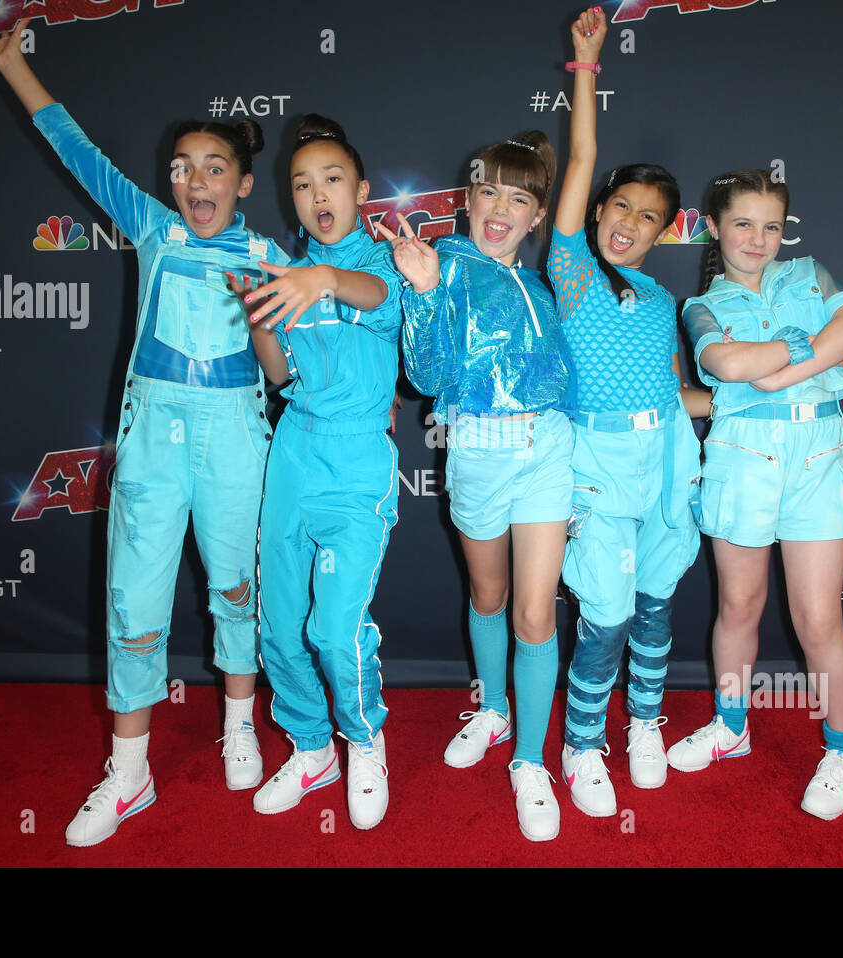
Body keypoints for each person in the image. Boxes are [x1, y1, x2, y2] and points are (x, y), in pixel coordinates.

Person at [0, 21, 285, 846]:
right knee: (134, 601)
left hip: (237, 435)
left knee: (237, 588)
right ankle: (130, 770)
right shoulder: (152, 226)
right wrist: (14, 66)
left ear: (244, 183)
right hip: (154, 435)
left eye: (214, 167)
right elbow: (78, 152)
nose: (195, 180)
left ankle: (242, 724)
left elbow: (297, 363)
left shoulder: (273, 254)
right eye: (182, 168)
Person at [377, 130, 571, 842]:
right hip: (478, 454)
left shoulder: (544, 284)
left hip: (547, 449)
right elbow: (425, 378)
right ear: (468, 200)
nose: (500, 209)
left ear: (537, 215)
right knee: (488, 596)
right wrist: (423, 291)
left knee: (535, 614)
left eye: (519, 198)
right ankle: (493, 711)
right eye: (489, 192)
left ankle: (529, 761)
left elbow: (566, 380)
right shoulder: (445, 264)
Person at [671, 169, 843, 821]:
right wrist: (808, 353)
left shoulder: (810, 273)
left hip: (815, 460)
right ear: (715, 226)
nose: (757, 239)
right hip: (739, 462)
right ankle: (733, 727)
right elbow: (726, 367)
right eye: (742, 223)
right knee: (739, 606)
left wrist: (781, 369)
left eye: (770, 226)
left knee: (819, 621)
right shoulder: (700, 304)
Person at [550, 7, 710, 818]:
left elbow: (674, 395)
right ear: (601, 207)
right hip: (597, 468)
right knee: (604, 615)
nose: (629, 223)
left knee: (655, 605)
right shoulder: (572, 273)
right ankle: (583, 745)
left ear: (666, 230)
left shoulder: (663, 299)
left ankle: (644, 722)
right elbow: (580, 157)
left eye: (649, 216)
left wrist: (752, 398)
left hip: (668, 457)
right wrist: (587, 65)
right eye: (620, 206)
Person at [241, 116, 403, 831]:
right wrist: (260, 326)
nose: (317, 194)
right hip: (294, 451)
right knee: (277, 627)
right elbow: (281, 378)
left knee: (334, 628)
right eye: (301, 184)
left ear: (362, 188)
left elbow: (376, 299)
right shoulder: (282, 273)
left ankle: (365, 740)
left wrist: (321, 278)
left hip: (359, 458)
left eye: (332, 178)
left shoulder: (387, 264)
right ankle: (313, 748)